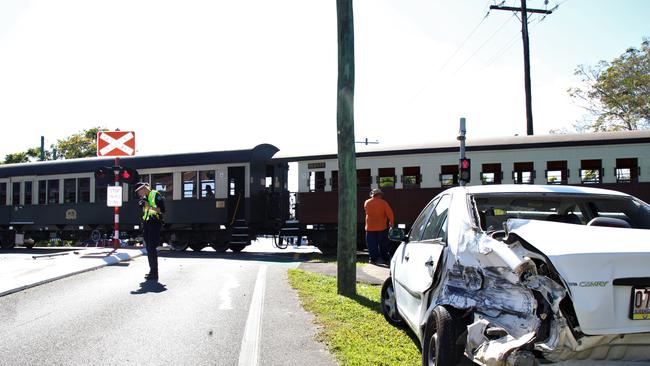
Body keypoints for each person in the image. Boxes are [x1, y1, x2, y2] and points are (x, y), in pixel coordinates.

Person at [134, 182, 166, 281]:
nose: (139, 194)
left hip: (154, 224)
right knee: (149, 249)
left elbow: (163, 210)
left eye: (139, 191)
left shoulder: (155, 195)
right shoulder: (144, 198)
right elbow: (145, 210)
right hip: (147, 224)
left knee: (151, 248)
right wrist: (143, 204)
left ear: (143, 188)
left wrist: (149, 206)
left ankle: (154, 273)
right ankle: (152, 271)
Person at [364, 188, 395, 265]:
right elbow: (390, 213)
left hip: (370, 227)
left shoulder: (367, 202)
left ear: (372, 195)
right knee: (383, 244)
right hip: (381, 227)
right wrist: (391, 222)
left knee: (371, 245)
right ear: (379, 195)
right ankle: (385, 259)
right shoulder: (383, 203)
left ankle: (373, 260)